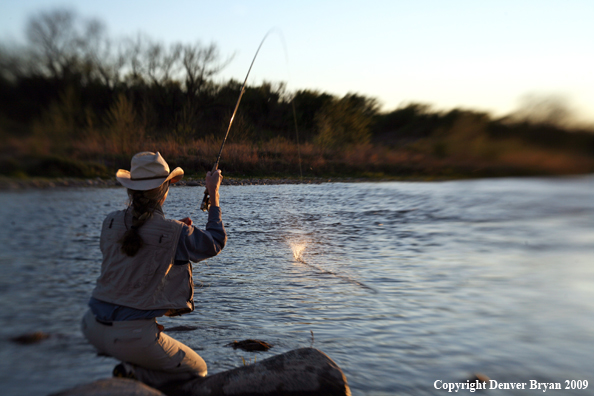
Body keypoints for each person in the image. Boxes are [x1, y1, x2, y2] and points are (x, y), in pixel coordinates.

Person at [81, 151, 226, 388]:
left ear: (130, 190)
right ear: (164, 190)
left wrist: (172, 233)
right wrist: (213, 193)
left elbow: (133, 248)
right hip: (132, 336)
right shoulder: (173, 231)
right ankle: (135, 376)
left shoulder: (109, 222)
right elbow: (215, 241)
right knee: (200, 369)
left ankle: (129, 374)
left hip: (92, 326)